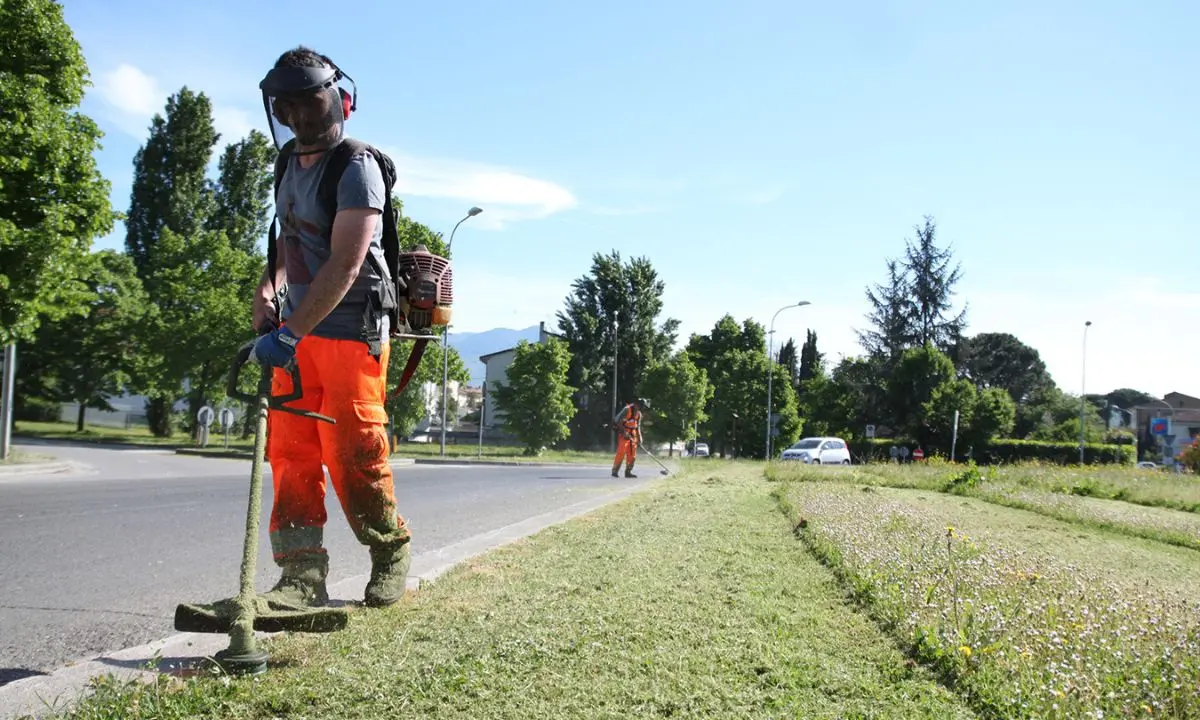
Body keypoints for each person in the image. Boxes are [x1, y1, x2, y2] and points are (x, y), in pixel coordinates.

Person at [249, 45, 410, 609]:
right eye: (286, 107)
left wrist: (289, 332)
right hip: (297, 332)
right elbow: (290, 239)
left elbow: (345, 262)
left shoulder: (356, 166)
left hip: (351, 329)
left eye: (307, 104)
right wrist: (267, 290)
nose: (297, 118)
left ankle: (389, 550)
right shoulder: (286, 163)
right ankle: (300, 575)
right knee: (291, 451)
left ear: (338, 99)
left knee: (353, 450)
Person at [612, 398, 648, 478]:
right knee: (621, 451)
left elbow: (637, 426)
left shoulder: (639, 414)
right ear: (636, 404)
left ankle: (628, 472)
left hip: (633, 433)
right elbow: (618, 422)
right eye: (640, 405)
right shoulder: (627, 410)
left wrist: (640, 437)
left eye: (642, 406)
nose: (640, 408)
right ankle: (615, 471)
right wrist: (624, 432)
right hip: (623, 432)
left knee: (632, 454)